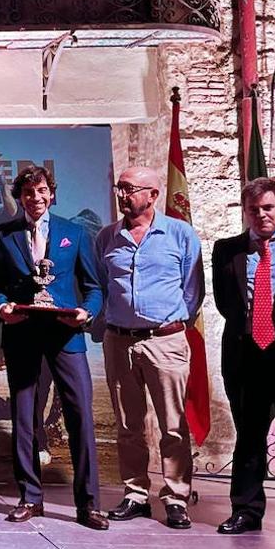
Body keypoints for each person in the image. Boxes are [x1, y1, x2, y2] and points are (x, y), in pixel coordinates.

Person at [0, 165, 107, 530]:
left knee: (80, 417)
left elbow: (94, 286)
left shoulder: (74, 232)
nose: (35, 198)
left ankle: (88, 504)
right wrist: (2, 307)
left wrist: (86, 313)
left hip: (67, 336)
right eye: (28, 193)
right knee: (24, 419)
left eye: (41, 191)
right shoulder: (3, 235)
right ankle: (30, 497)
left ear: (51, 193)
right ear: (19, 197)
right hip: (22, 335)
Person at [95, 165, 204, 530]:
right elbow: (102, 284)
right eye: (119, 188)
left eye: (129, 189)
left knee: (172, 426)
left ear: (153, 194)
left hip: (166, 341)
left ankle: (176, 497)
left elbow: (193, 288)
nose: (122, 195)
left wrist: (173, 323)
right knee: (128, 425)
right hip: (119, 341)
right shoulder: (107, 237)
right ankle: (135, 494)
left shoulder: (180, 234)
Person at [212, 178, 275, 540]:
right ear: (246, 213)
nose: (261, 215)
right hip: (248, 357)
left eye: (267, 208)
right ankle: (246, 511)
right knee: (249, 439)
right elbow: (226, 303)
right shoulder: (227, 249)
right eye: (253, 210)